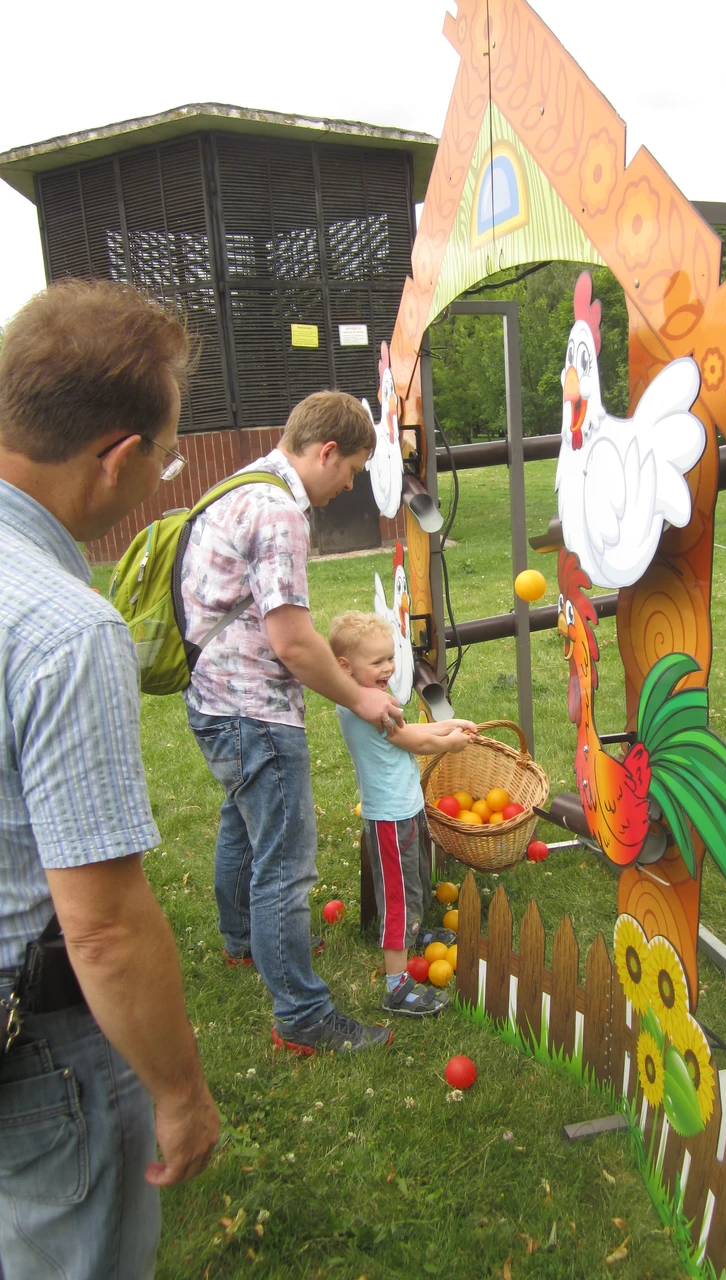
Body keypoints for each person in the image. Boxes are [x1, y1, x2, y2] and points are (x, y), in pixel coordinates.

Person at [0, 280, 220, 1279]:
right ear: (118, 457)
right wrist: (178, 1090)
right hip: (39, 1057)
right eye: (166, 455)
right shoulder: (67, 629)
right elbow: (102, 922)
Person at [181, 391, 404, 1055]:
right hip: (255, 712)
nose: (350, 485)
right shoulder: (280, 512)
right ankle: (302, 1016)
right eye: (352, 470)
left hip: (212, 701)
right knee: (285, 862)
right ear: (326, 451)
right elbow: (294, 643)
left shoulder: (242, 483)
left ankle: (243, 941)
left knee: (242, 826)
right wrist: (360, 698)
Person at [329, 612, 476, 1016]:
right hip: (390, 819)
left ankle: (413, 932)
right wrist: (449, 742)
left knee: (413, 881)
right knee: (397, 898)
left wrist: (450, 726)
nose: (389, 667)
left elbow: (409, 734)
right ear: (345, 668)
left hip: (404, 810)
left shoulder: (373, 701)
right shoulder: (366, 708)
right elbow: (413, 742)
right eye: (377, 662)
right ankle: (396, 988)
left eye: (390, 657)